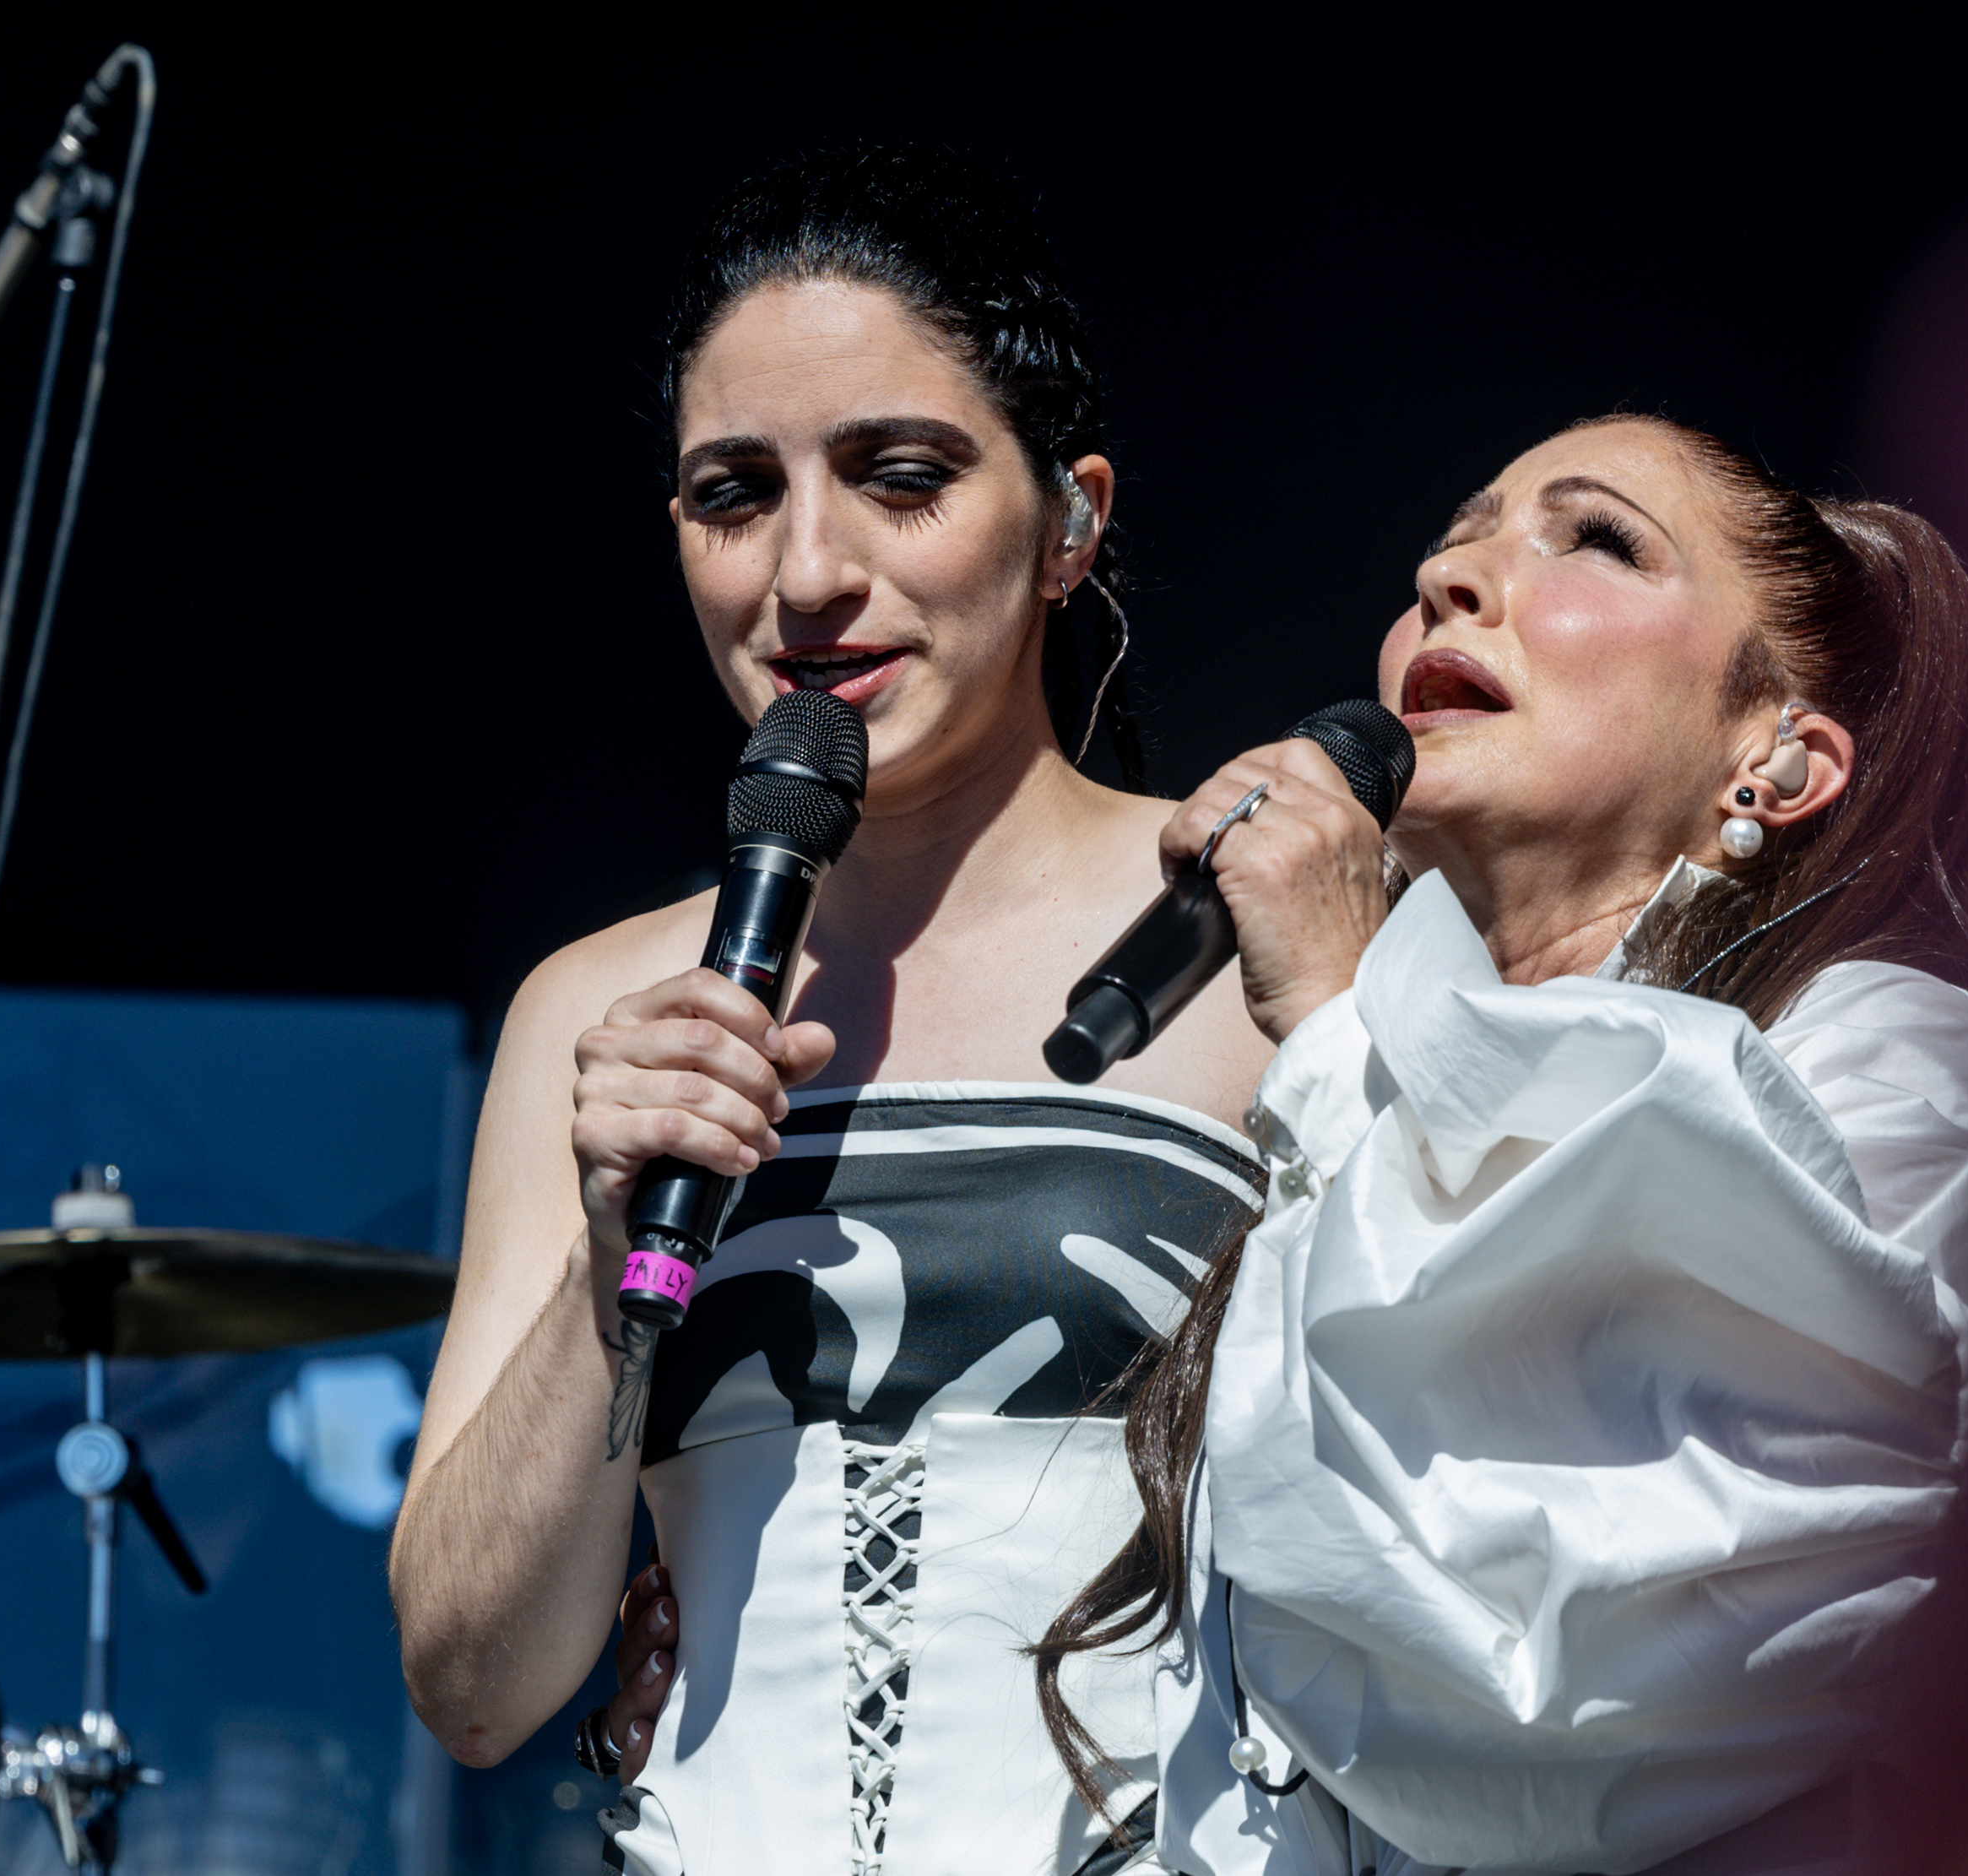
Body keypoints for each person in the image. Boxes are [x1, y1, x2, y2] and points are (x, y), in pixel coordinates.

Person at [613, 413, 1968, 1874]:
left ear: (1780, 759)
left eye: (1594, 539)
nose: (1451, 574)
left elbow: (1566, 1673)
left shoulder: (1882, 1061)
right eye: (1458, 533)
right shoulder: (1348, 1078)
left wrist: (1344, 1025)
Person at [388, 147, 1303, 1876]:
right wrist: (609, 1257)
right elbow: (473, 1683)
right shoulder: (594, 1005)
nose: (807, 571)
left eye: (898, 476)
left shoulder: (1264, 941)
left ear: (1072, 519)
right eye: (734, 493)